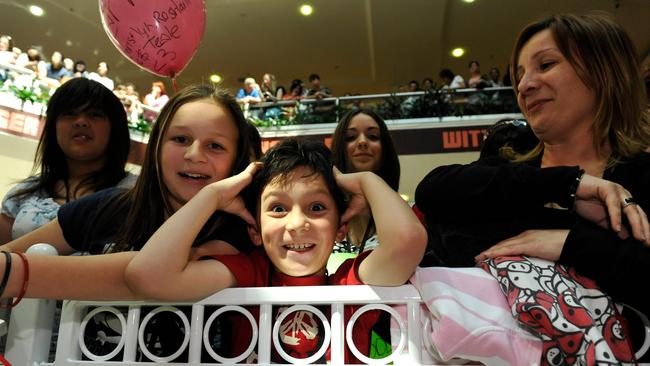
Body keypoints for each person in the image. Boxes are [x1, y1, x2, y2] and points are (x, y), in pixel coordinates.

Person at [415, 13, 650, 319]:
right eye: (520, 74)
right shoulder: (509, 157)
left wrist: (568, 242)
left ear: (602, 70)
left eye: (546, 65)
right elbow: (432, 191)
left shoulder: (641, 174)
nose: (524, 85)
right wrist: (569, 185)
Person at [124, 138, 427, 363]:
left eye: (317, 207)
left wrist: (366, 180)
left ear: (340, 229)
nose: (297, 223)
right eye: (278, 208)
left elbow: (406, 241)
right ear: (254, 231)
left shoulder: (351, 283)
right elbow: (148, 276)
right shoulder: (248, 273)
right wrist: (212, 195)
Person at [0, 78, 134, 244]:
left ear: (115, 128)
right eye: (70, 113)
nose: (81, 122)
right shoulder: (22, 194)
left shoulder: (137, 194)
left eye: (94, 114)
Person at [330, 108, 400, 253]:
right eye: (350, 137)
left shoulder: (401, 215)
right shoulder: (325, 214)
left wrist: (365, 179)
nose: (362, 142)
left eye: (373, 136)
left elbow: (412, 240)